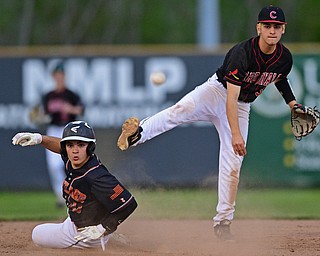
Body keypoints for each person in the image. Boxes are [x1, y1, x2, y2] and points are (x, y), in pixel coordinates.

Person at [117, 5, 300, 240]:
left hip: (242, 106)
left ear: (283, 29)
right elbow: (230, 99)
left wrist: (293, 104)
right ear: (259, 28)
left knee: (233, 165)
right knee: (179, 111)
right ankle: (137, 135)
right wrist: (235, 134)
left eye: (277, 26)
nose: (272, 30)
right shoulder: (242, 53)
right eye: (267, 26)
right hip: (216, 92)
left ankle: (223, 222)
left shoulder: (284, 58)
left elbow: (279, 79)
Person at [12, 121, 137, 250]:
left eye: (81, 145)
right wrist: (39, 138)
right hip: (78, 220)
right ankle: (107, 238)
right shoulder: (76, 159)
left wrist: (104, 227)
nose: (75, 150)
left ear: (90, 147)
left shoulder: (96, 176)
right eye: (70, 145)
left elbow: (129, 203)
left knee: (37, 234)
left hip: (84, 233)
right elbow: (61, 147)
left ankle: (99, 241)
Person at [42, 62, 84, 207]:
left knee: (71, 163)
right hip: (53, 129)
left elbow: (80, 110)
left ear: (64, 76)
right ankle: (61, 196)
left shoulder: (71, 94)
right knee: (54, 165)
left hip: (68, 130)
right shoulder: (48, 96)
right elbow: (43, 115)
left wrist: (70, 109)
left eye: (61, 75)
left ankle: (76, 193)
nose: (59, 77)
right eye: (57, 75)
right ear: (53, 77)